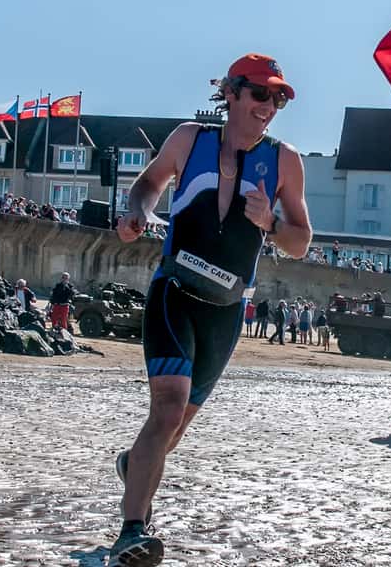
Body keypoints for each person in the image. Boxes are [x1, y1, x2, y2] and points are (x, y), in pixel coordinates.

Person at [108, 52, 312, 566]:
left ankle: (136, 465)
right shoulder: (188, 140)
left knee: (171, 432)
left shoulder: (285, 161)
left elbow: (300, 242)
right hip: (174, 293)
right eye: (261, 94)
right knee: (168, 409)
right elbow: (148, 184)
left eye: (279, 98)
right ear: (232, 92)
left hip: (226, 313)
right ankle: (133, 531)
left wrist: (269, 223)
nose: (270, 106)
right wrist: (138, 213)